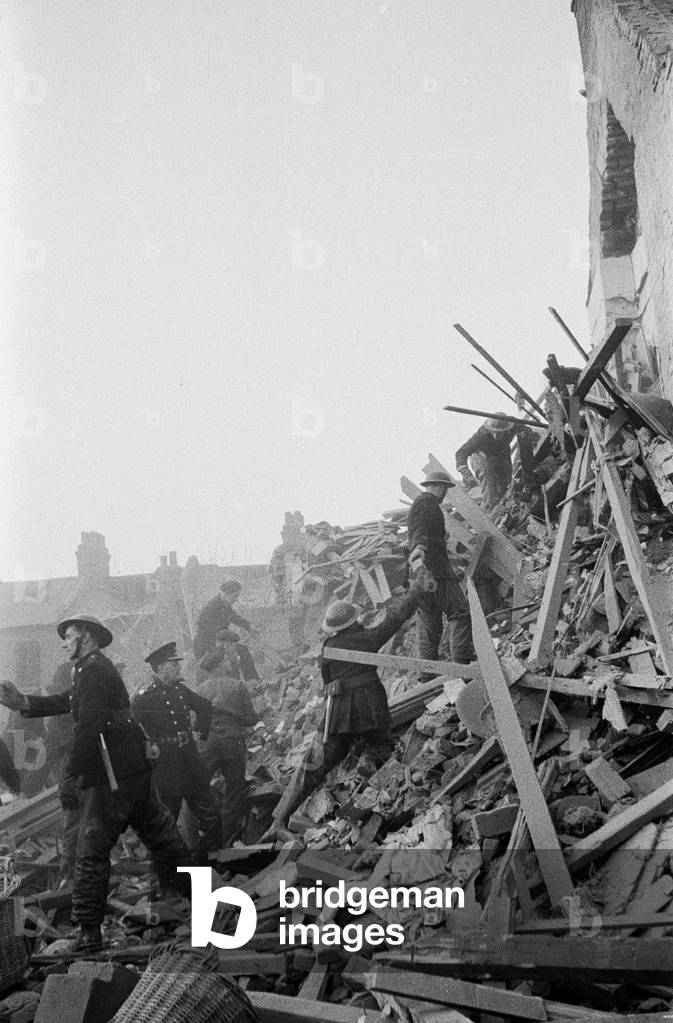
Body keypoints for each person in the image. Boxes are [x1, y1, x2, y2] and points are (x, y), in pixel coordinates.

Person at [0, 615, 191, 952]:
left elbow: (88, 727)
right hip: (131, 769)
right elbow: (66, 702)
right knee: (162, 835)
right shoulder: (91, 669)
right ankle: (199, 900)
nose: (64, 642)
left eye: (69, 636)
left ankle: (89, 934)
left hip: (111, 777)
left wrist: (72, 775)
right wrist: (23, 703)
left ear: (86, 637)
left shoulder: (94, 670)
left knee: (91, 852)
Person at [263, 579, 426, 839]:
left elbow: (328, 679)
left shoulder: (328, 647)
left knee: (313, 763)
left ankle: (279, 820)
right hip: (369, 709)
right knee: (381, 748)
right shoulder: (366, 638)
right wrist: (416, 591)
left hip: (336, 714)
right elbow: (394, 619)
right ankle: (372, 789)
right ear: (354, 621)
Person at [131, 642, 221, 856]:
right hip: (166, 768)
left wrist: (200, 732)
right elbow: (132, 731)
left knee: (212, 816)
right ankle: (171, 875)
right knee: (168, 824)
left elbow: (205, 707)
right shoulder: (144, 698)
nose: (179, 668)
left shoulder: (180, 690)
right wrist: (147, 753)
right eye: (174, 664)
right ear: (160, 667)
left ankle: (210, 867)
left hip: (190, 762)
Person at [407, 470, 475, 672]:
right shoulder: (427, 505)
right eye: (445, 488)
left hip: (421, 577)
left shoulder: (420, 504)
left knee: (429, 625)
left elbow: (424, 535)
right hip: (434, 574)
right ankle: (461, 666)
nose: (445, 493)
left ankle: (427, 677)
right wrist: (419, 550)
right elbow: (421, 532)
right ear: (437, 486)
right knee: (460, 612)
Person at [196, 631, 259, 847]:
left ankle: (203, 841)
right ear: (221, 664)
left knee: (199, 789)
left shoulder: (199, 691)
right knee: (233, 793)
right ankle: (226, 843)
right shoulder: (237, 685)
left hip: (207, 744)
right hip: (232, 742)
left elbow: (195, 724)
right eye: (227, 659)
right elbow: (251, 719)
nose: (231, 662)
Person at [455, 415, 533, 510]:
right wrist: (465, 472)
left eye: (500, 433)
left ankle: (505, 509)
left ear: (507, 429)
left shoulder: (513, 424)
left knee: (506, 484)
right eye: (494, 432)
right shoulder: (481, 435)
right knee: (490, 487)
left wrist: (529, 481)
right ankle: (490, 511)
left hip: (501, 451)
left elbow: (526, 436)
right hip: (481, 455)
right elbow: (461, 453)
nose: (496, 436)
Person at [192, 581, 252, 659]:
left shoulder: (224, 604)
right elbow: (207, 634)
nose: (236, 600)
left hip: (219, 644)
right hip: (205, 648)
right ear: (225, 593)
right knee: (239, 654)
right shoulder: (211, 608)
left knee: (243, 651)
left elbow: (234, 617)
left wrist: (249, 626)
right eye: (234, 596)